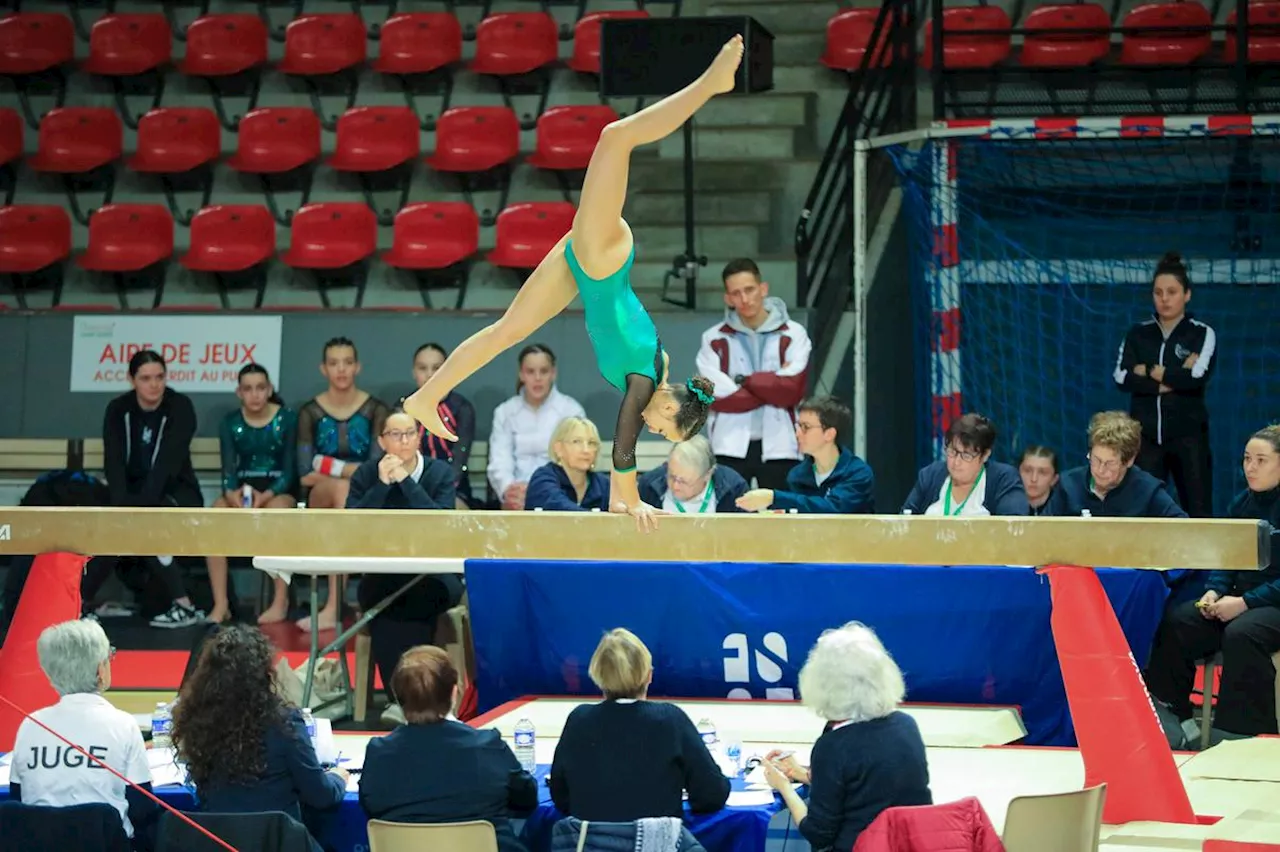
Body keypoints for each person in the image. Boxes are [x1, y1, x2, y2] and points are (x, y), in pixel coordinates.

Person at [403, 37, 746, 532]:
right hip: (601, 259)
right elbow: (623, 441)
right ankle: (710, 85)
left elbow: (630, 434)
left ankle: (423, 398)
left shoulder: (660, 369)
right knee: (614, 137)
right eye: (664, 426)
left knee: (506, 332)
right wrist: (629, 500)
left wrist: (623, 501)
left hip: (583, 271)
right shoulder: (645, 382)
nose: (654, 428)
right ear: (669, 404)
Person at [1144, 425, 1280, 748]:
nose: (1251, 467)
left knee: (1242, 633)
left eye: (1261, 460)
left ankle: (1245, 736)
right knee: (1180, 621)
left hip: (1268, 606)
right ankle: (1175, 716)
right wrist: (1214, 591)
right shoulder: (1240, 504)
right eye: (1247, 459)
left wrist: (1245, 602)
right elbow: (1226, 559)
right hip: (1241, 601)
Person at [170, 625, 346, 852]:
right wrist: (338, 778)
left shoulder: (197, 721)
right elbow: (320, 794)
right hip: (278, 844)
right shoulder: (284, 723)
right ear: (263, 673)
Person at [762, 622, 931, 852]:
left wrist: (784, 788)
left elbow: (818, 833)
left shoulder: (833, 746)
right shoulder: (906, 725)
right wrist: (803, 774)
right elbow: (869, 786)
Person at [359, 646, 537, 852]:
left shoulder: (378, 753)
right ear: (454, 692)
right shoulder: (487, 746)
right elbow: (527, 798)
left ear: (398, 698)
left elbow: (369, 805)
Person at [346, 410, 463, 719]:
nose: (403, 440)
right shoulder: (366, 475)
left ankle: (412, 698)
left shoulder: (439, 472)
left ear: (420, 437)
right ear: (382, 441)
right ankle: (403, 698)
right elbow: (351, 525)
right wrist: (383, 485)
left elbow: (440, 523)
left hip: (434, 573)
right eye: (395, 435)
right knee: (383, 595)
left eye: (410, 433)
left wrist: (407, 482)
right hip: (383, 573)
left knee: (414, 594)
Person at [548, 628, 730, 821]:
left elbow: (561, 797)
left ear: (597, 676)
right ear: (649, 675)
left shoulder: (578, 720)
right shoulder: (670, 720)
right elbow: (712, 794)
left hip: (589, 844)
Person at [10, 619, 159, 852]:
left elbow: (18, 800)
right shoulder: (123, 725)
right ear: (101, 670)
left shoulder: (29, 725)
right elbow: (142, 809)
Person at [288, 337, 391, 631]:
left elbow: (374, 468)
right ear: (323, 369)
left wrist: (333, 467)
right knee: (342, 490)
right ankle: (333, 605)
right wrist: (348, 474)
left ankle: (337, 605)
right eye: (334, 363)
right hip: (321, 497)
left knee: (347, 490)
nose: (341, 370)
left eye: (347, 362)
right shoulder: (310, 412)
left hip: (367, 496)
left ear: (357, 366)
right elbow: (305, 473)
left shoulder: (375, 410)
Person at [101, 350, 204, 629]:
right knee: (99, 520)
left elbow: (167, 464)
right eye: (146, 378)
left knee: (154, 519)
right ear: (132, 379)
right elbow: (113, 462)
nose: (154, 384)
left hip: (175, 492)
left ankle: (184, 605)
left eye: (159, 377)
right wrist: (121, 505)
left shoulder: (180, 406)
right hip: (130, 495)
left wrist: (139, 508)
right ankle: (81, 604)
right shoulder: (117, 409)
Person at [1113, 251, 1217, 516]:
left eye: (1171, 291)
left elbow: (1196, 377)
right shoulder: (1138, 333)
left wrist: (1146, 372)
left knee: (1198, 509)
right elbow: (1122, 377)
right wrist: (1165, 376)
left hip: (1189, 438)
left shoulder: (1201, 333)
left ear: (1187, 294)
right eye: (1158, 292)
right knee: (1142, 510)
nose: (1164, 298)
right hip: (1145, 439)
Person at [696, 258, 811, 490]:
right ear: (728, 299)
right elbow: (717, 398)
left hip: (782, 445)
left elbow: (791, 391)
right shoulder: (713, 338)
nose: (745, 299)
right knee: (729, 521)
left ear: (763, 289)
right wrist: (771, 386)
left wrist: (745, 382)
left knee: (783, 519)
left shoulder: (794, 333)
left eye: (749, 290)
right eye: (736, 293)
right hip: (729, 446)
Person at [205, 364, 298, 626]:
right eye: (248, 389)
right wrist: (231, 493)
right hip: (243, 491)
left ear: (269, 389)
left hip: (278, 490)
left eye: (260, 388)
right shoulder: (230, 423)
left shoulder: (287, 419)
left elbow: (290, 471)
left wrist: (268, 494)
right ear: (239, 392)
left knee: (276, 514)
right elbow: (228, 470)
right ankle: (221, 603)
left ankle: (280, 601)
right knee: (215, 514)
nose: (255, 394)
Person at [486, 344, 586, 511]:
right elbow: (499, 460)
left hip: (559, 495)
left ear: (553, 373)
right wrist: (509, 490)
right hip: (515, 499)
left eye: (544, 371)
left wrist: (544, 492)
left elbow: (576, 460)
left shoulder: (571, 411)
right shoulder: (505, 412)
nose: (537, 378)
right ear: (521, 374)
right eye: (530, 371)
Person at [736, 396, 875, 514]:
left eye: (806, 427)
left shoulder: (858, 473)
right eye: (798, 426)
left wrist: (774, 497)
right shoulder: (798, 475)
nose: (797, 434)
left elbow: (834, 510)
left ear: (829, 434)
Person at [1046, 412, 1187, 519]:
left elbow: (1183, 530)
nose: (1100, 470)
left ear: (1129, 460)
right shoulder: (1068, 486)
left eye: (1110, 464)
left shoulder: (1148, 491)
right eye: (1096, 460)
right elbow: (1039, 532)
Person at [901, 413, 1029, 516]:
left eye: (966, 455)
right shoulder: (930, 475)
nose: (956, 462)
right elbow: (904, 522)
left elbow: (1013, 529)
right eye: (952, 452)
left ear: (985, 455)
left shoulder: (1004, 479)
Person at [408, 342, 476, 510]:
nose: (430, 375)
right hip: (409, 484)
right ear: (413, 372)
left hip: (453, 487)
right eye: (422, 368)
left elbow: (459, 462)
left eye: (437, 368)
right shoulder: (404, 408)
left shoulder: (462, 408)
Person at [638, 435, 747, 514]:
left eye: (683, 481)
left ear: (707, 475)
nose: (675, 486)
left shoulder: (734, 489)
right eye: (671, 476)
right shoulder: (648, 486)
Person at [525, 416, 611, 512]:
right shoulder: (543, 479)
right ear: (558, 449)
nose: (586, 450)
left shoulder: (604, 485)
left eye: (591, 443)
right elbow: (558, 508)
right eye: (577, 442)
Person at [1019, 445, 1059, 516]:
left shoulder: (1064, 510)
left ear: (1054, 479)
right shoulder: (1003, 506)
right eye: (1027, 471)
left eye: (1043, 472)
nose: (1034, 479)